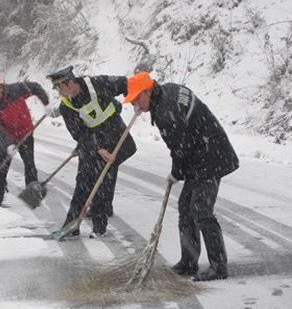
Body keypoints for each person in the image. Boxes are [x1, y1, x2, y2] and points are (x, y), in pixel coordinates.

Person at [123, 71, 239, 281]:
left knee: (201, 210)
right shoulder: (168, 90)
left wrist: (175, 174)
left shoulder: (166, 112)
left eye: (136, 100)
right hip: (202, 153)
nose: (135, 106)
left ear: (147, 92)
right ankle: (188, 262)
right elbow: (184, 141)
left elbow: (180, 148)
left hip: (211, 156)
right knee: (186, 208)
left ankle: (218, 267)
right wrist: (181, 168)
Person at [47, 66, 137, 238]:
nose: (59, 93)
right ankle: (72, 224)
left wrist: (136, 102)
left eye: (60, 88)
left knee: (103, 179)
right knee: (83, 181)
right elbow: (79, 133)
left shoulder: (97, 83)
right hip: (92, 140)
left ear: (70, 82)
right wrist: (97, 148)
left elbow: (127, 84)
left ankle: (99, 227)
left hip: (115, 133)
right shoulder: (66, 107)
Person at [0, 75, 52, 187]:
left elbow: (35, 87)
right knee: (1, 169)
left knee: (30, 165)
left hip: (26, 133)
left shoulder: (16, 90)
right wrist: (8, 144)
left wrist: (46, 103)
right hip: (8, 136)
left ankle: (32, 194)